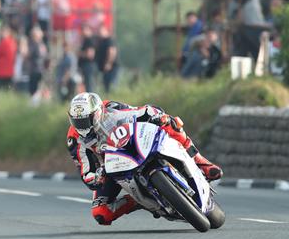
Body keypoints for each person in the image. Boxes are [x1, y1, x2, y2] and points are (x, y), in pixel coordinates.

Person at [66, 92, 222, 226]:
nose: (82, 127)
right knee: (101, 213)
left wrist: (159, 117)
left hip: (134, 143)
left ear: (97, 113)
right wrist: (97, 177)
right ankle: (137, 200)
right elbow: (85, 173)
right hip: (109, 168)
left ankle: (200, 162)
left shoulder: (113, 111)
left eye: (85, 121)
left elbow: (143, 111)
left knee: (170, 122)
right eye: (77, 122)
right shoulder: (75, 140)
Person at [0, 26, 17, 90]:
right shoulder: (13, 42)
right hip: (9, 70)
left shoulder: (5, 42)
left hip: (2, 71)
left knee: (1, 89)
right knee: (7, 88)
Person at [94, 26, 118, 93]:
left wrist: (109, 63)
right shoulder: (101, 41)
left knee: (111, 84)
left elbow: (112, 52)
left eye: (101, 31)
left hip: (111, 67)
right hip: (104, 68)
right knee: (106, 85)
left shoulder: (109, 40)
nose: (100, 33)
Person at [78, 25, 96, 93]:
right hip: (85, 66)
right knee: (86, 85)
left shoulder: (89, 40)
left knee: (89, 86)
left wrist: (80, 53)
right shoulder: (85, 40)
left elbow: (90, 54)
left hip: (88, 66)